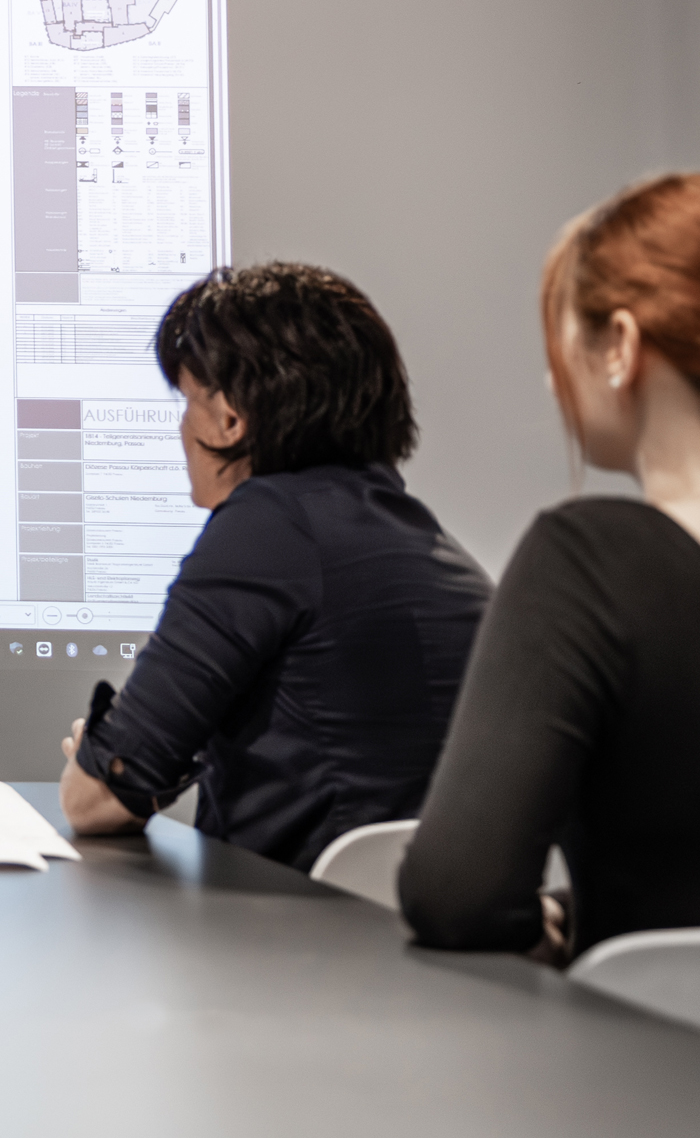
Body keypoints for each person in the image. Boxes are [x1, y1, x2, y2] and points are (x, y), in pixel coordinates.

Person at [56, 262, 492, 871]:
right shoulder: (419, 536)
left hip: (298, 921)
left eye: (188, 401)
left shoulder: (267, 528)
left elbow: (95, 801)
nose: (181, 427)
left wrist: (111, 760)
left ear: (230, 418)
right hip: (415, 920)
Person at [401, 175, 700, 960]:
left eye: (561, 343)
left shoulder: (590, 562)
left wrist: (554, 924)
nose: (550, 379)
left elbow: (456, 895)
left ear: (621, 346)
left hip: (650, 1039)